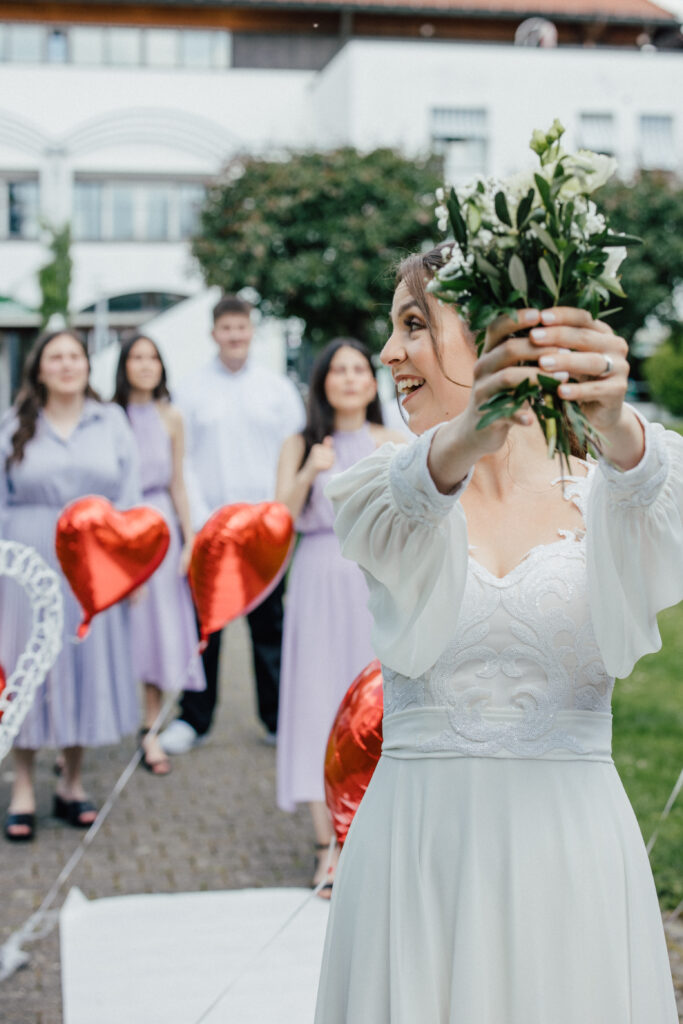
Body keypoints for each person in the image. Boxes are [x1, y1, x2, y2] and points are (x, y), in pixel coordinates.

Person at [314, 246, 680, 1022]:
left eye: (413, 324)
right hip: (417, 857)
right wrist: (477, 425)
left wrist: (614, 422)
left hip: (570, 856)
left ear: (494, 337)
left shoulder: (618, 494)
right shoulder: (384, 488)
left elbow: (656, 488)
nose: (388, 354)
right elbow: (420, 495)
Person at [275, 338, 406, 895]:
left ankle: (376, 839)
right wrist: (309, 470)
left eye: (360, 369)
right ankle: (327, 844)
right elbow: (277, 517)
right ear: (323, 382)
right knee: (317, 700)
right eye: (339, 370)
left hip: (373, 580)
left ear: (373, 382)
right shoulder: (300, 443)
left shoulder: (394, 443)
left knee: (376, 705)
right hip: (316, 578)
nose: (350, 378)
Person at [0, 329, 141, 842]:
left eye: (74, 356)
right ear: (38, 369)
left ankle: (74, 781)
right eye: (54, 357)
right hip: (27, 559)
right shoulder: (14, 424)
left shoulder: (112, 422)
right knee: (28, 664)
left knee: (84, 663)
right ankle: (22, 784)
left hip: (92, 560)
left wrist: (128, 568)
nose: (65, 365)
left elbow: (127, 497)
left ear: (87, 365)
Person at [159, 295, 305, 755]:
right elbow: (181, 464)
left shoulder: (277, 389)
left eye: (242, 328)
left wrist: (278, 514)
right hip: (211, 529)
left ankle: (278, 720)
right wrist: (201, 522)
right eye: (227, 329)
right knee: (205, 630)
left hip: (264, 529)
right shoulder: (190, 390)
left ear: (251, 332)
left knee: (269, 629)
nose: (235, 336)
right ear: (214, 333)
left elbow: (291, 451)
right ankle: (193, 719)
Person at [113, 333, 205, 776]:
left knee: (155, 629)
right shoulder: (108, 418)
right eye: (137, 357)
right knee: (112, 629)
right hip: (117, 527)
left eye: (153, 358)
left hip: (161, 527)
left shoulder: (172, 417)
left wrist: (188, 539)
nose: (146, 365)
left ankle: (150, 729)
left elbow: (179, 482)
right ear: (124, 365)